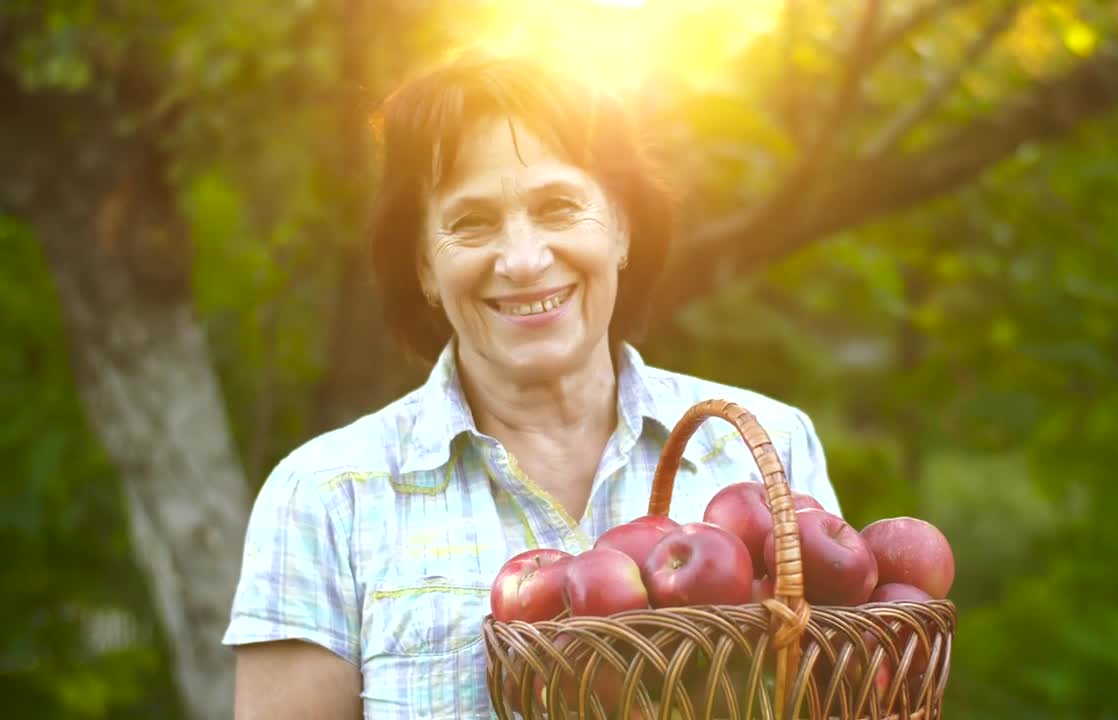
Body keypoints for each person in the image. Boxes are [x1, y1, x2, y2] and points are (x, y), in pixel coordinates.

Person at [222, 51, 842, 719]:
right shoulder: (325, 498)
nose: (522, 260)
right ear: (424, 266)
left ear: (623, 229)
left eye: (558, 207)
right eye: (472, 222)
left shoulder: (766, 447)